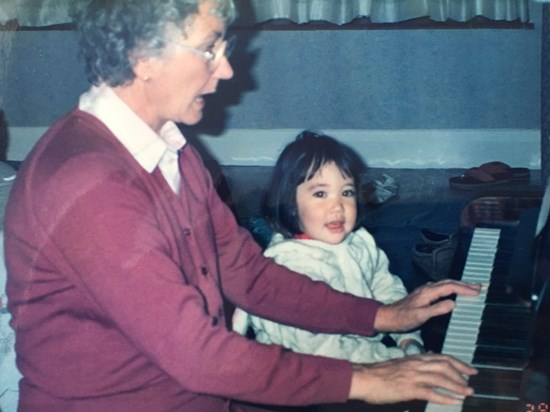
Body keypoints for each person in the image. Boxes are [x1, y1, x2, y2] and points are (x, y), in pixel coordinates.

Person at [4, 0, 481, 411]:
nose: (227, 68)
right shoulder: (90, 184)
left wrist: (383, 315)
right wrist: (366, 379)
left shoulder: (172, 151)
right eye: (210, 47)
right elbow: (197, 355)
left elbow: (248, 276)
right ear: (142, 55)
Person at [233, 131, 424, 363]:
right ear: (291, 204)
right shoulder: (289, 268)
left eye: (346, 192)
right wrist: (390, 359)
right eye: (321, 193)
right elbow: (320, 349)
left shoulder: (358, 241)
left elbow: (385, 286)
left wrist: (408, 339)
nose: (337, 207)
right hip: (306, 372)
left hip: (364, 353)